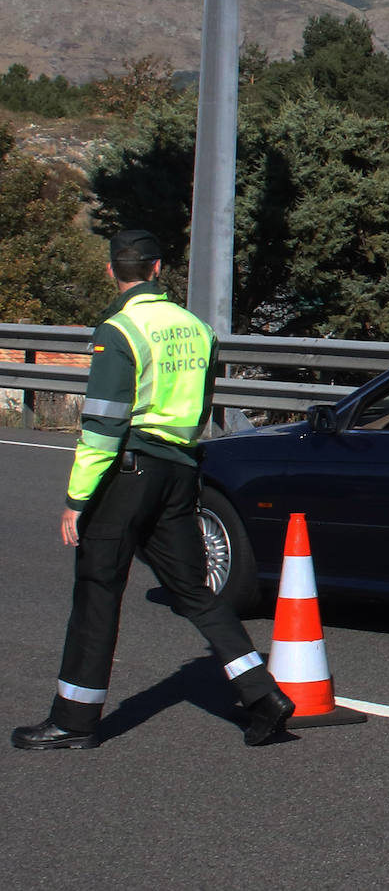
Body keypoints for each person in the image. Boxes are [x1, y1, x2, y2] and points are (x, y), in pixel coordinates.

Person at [12, 230, 295, 750]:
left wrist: (77, 499)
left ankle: (74, 721)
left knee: (98, 590)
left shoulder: (119, 330)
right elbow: (202, 406)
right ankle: (262, 695)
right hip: (181, 469)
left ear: (111, 271)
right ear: (158, 269)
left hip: (130, 470)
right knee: (194, 592)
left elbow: (101, 427)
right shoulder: (197, 329)